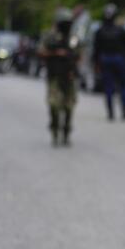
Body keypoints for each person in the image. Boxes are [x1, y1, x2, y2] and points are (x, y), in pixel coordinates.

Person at [38, 8, 79, 146]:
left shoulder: (73, 38)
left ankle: (66, 133)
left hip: (69, 76)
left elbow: (79, 54)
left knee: (69, 106)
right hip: (54, 75)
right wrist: (56, 53)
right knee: (54, 105)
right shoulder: (50, 36)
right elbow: (41, 51)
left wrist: (73, 66)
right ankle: (55, 130)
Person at [93, 3, 125, 121]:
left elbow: (96, 49)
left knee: (109, 87)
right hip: (118, 59)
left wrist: (96, 63)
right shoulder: (121, 30)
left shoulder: (100, 31)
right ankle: (124, 112)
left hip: (106, 59)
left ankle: (111, 113)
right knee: (123, 86)